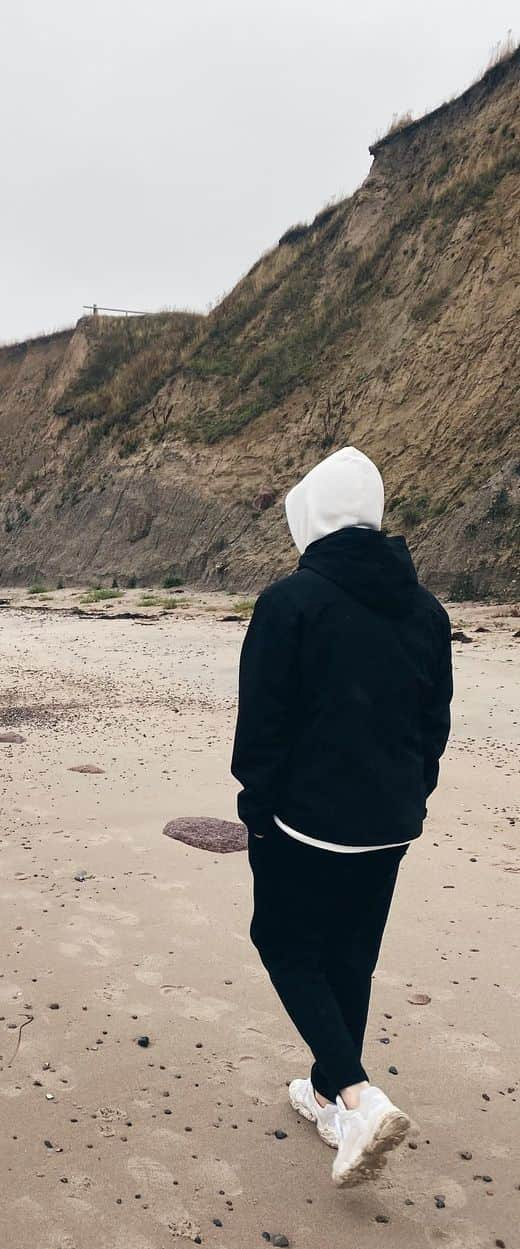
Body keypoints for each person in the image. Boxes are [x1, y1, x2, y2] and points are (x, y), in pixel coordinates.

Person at [231, 446, 452, 1187]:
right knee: (350, 956)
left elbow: (262, 726)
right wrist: (413, 798)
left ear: (311, 515)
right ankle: (328, 1095)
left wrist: (255, 813)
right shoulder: (427, 610)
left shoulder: (290, 602)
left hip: (306, 822)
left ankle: (359, 1096)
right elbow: (434, 725)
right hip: (391, 822)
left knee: (284, 943)